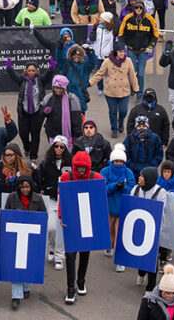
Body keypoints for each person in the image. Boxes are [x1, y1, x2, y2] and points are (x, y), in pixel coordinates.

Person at [59, 151, 102, 303]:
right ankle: (70, 289)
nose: (81, 170)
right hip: (71, 221)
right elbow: (61, 197)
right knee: (70, 256)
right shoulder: (66, 177)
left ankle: (81, 281)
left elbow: (101, 201)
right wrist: (60, 216)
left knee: (85, 253)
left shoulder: (96, 178)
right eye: (79, 167)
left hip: (88, 222)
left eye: (84, 168)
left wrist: (98, 220)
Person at [2, 175, 43, 309]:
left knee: (28, 262)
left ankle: (26, 286)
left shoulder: (38, 199)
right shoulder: (12, 198)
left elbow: (43, 217)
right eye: (22, 187)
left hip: (31, 237)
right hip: (16, 237)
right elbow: (6, 215)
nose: (25, 189)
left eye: (27, 187)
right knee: (16, 264)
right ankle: (16, 295)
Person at [89, 45, 140, 139]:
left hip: (124, 91)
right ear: (116, 52)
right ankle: (114, 129)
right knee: (112, 111)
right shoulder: (107, 61)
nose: (122, 54)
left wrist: (136, 89)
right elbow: (100, 74)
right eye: (120, 51)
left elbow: (132, 75)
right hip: (110, 92)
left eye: (123, 52)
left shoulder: (128, 61)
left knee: (123, 111)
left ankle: (120, 123)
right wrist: (90, 83)